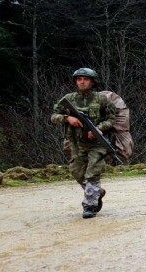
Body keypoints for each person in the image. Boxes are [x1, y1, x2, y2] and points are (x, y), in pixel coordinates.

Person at [51, 68, 117, 218]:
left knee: (92, 173)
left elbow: (112, 119)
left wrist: (99, 129)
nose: (82, 82)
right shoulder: (69, 99)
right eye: (79, 79)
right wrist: (68, 119)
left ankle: (90, 206)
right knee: (76, 171)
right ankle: (96, 192)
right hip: (76, 142)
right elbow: (54, 116)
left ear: (92, 82)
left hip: (97, 143)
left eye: (85, 79)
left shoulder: (102, 99)